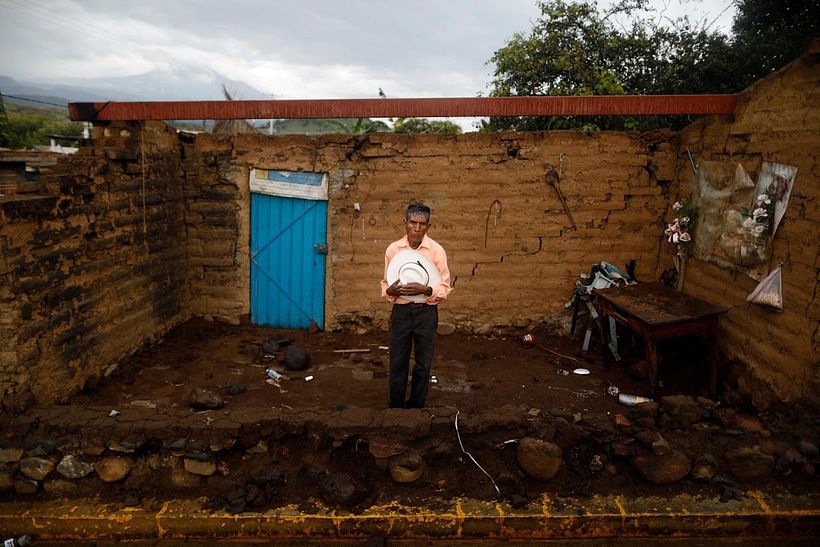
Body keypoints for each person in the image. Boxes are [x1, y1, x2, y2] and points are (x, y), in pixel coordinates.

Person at [380, 203, 452, 408]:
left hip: (426, 313)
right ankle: (395, 406)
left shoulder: (436, 251)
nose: (417, 228)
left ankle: (416, 406)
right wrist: (390, 291)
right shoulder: (393, 250)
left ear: (428, 226)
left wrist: (427, 289)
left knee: (423, 364)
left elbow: (445, 287)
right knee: (397, 362)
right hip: (401, 312)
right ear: (405, 223)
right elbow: (386, 283)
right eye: (413, 222)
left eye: (422, 224)